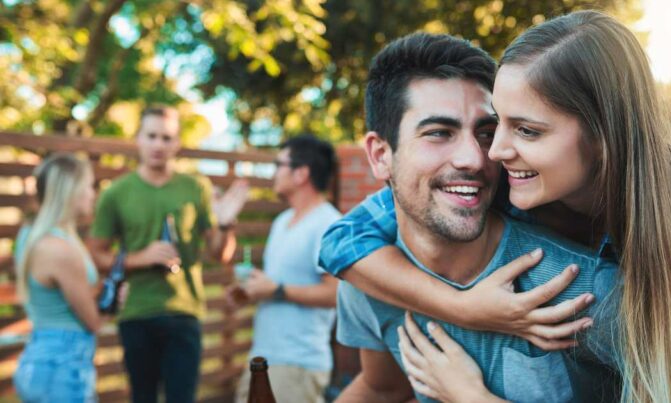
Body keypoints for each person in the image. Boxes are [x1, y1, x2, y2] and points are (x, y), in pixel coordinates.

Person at [320, 11, 671, 403]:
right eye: (501, 126)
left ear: (603, 136)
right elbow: (343, 239)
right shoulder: (504, 192)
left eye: (527, 130)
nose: (487, 155)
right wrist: (464, 308)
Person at [332, 32, 616, 403]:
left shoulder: (588, 289)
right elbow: (382, 387)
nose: (476, 158)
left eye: (485, 132)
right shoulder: (368, 281)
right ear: (380, 155)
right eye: (439, 133)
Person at [87, 105, 250, 403]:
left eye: (166, 138)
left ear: (177, 143)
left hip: (184, 312)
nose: (158, 145)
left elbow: (220, 254)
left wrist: (226, 224)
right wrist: (140, 257)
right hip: (136, 312)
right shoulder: (116, 193)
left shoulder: (195, 188)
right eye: (151, 136)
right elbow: (96, 255)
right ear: (138, 139)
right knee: (143, 397)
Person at [227, 134, 341, 403]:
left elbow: (336, 294)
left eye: (279, 164)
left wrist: (277, 289)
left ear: (301, 173)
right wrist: (253, 291)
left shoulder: (328, 223)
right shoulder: (282, 221)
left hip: (298, 365)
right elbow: (280, 284)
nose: (274, 172)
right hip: (265, 357)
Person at [13, 154, 100, 402]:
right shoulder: (59, 249)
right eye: (88, 186)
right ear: (71, 192)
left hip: (42, 358)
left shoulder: (30, 234)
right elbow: (92, 321)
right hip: (62, 368)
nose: (93, 194)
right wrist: (112, 303)